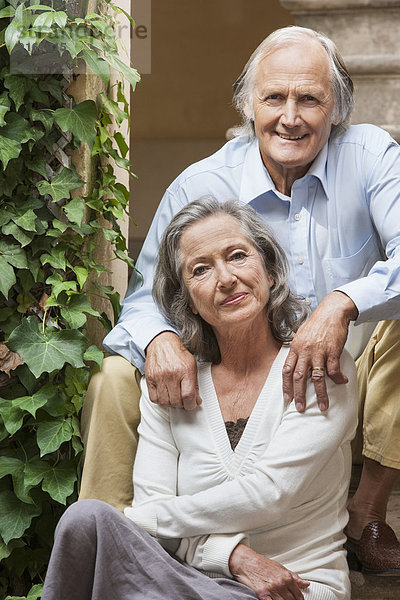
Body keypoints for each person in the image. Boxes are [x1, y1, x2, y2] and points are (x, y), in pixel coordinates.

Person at [79, 26, 400, 573]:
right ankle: (107, 540)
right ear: (249, 104)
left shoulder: (371, 156)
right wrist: (158, 338)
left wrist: (342, 301)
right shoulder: (202, 183)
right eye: (274, 98)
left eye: (310, 99)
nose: (290, 117)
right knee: (111, 377)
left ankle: (365, 512)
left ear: (338, 110)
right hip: (233, 369)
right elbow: (143, 298)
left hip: (349, 376)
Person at [43, 198, 358, 600]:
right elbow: (161, 529)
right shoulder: (172, 384)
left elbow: (269, 494)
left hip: (295, 588)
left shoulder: (319, 366)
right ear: (187, 300)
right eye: (201, 269)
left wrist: (142, 520)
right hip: (191, 580)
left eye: (238, 256)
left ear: (272, 272)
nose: (225, 278)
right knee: (84, 518)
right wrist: (231, 557)